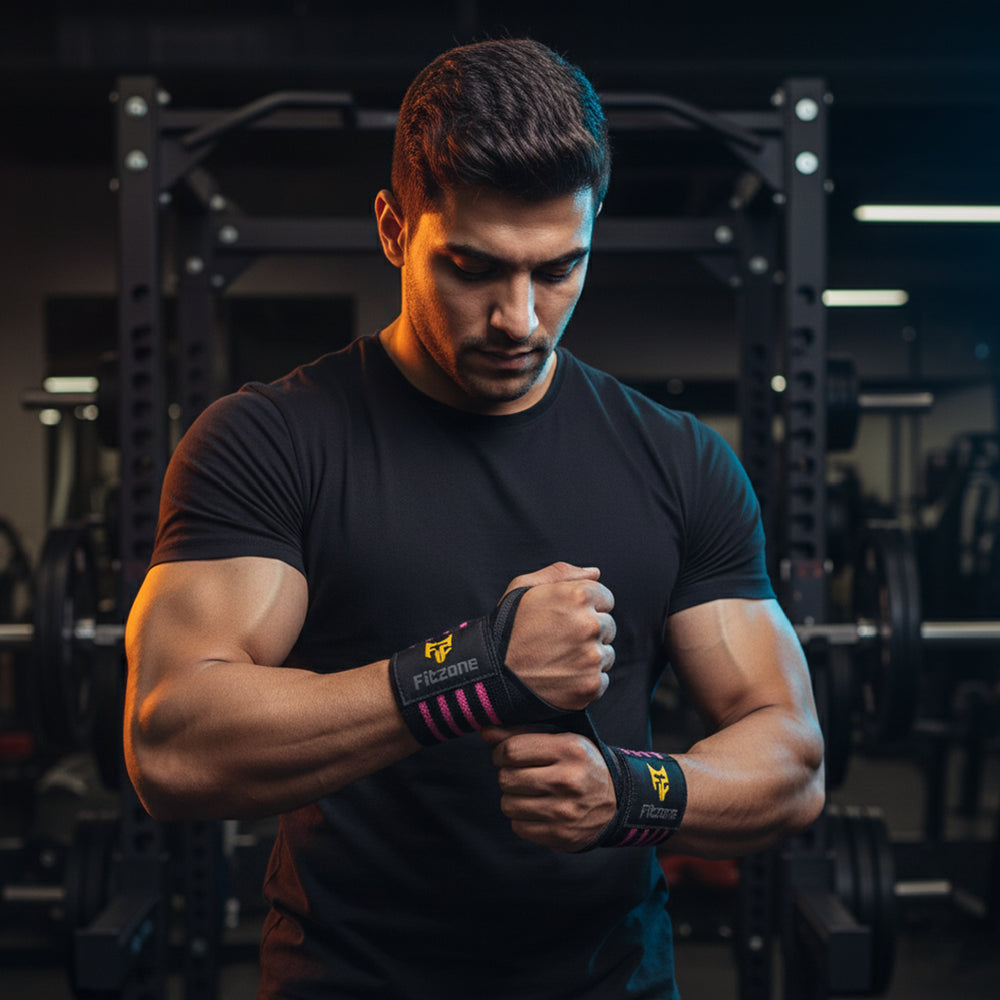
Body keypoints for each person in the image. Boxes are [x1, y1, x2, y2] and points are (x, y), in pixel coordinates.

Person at [124, 37, 824, 999]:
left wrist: (631, 792)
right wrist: (474, 672)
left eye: (557, 270)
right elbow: (171, 740)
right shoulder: (271, 441)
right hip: (352, 980)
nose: (519, 319)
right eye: (472, 267)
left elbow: (790, 757)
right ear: (391, 228)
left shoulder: (678, 460)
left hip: (607, 982)